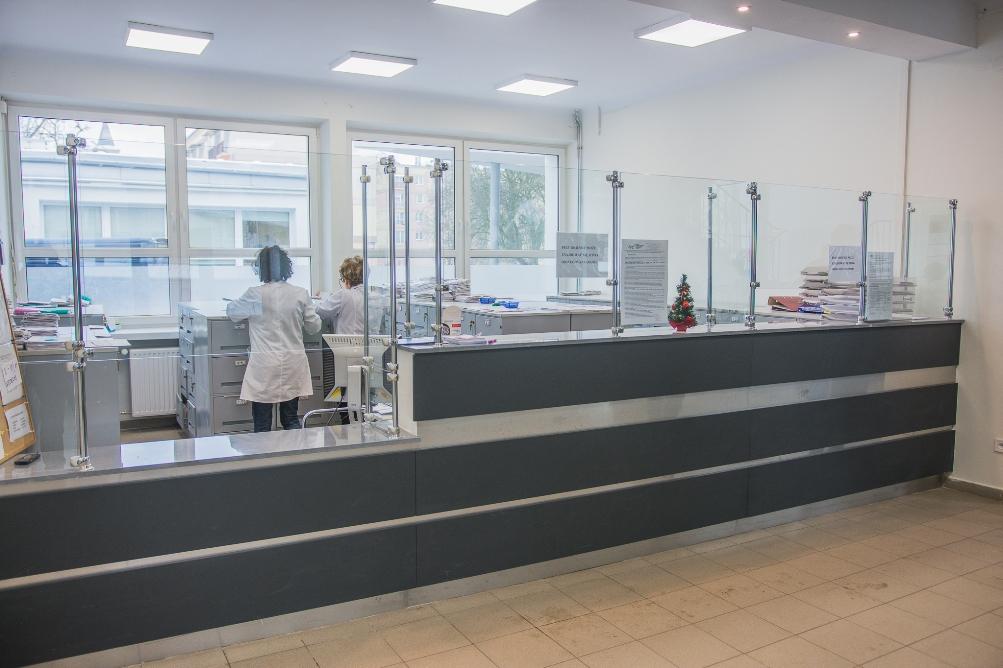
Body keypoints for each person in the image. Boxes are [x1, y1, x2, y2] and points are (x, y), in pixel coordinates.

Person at [226, 245, 321, 432]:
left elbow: (233, 313)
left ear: (261, 268)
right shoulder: (300, 293)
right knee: (291, 420)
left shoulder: (255, 294)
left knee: (262, 425)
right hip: (292, 363)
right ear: (286, 266)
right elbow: (314, 327)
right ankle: (295, 450)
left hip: (265, 366)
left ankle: (265, 452)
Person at [316, 255, 365, 333]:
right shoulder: (373, 295)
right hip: (368, 341)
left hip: (346, 340)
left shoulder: (344, 294)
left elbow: (320, 310)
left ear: (347, 278)